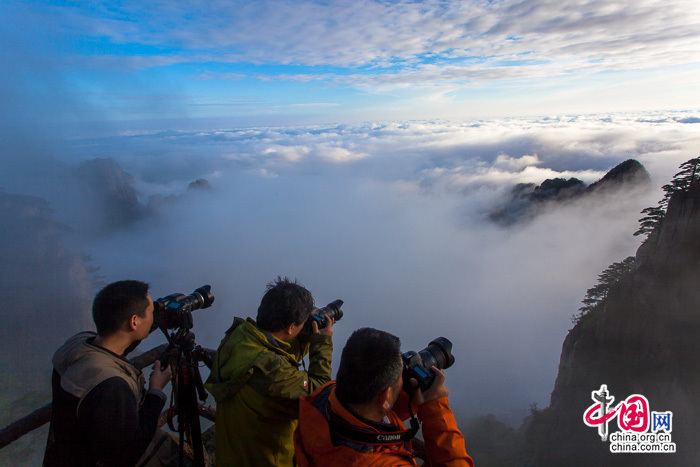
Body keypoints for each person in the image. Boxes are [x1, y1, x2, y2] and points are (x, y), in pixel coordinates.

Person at [294, 327, 474, 467]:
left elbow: (370, 411)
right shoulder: (379, 462)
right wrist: (435, 409)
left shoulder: (321, 399)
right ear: (385, 395)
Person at [43, 280, 176, 466]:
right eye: (151, 312)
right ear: (134, 321)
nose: (154, 313)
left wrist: (148, 323)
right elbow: (128, 454)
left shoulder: (78, 345)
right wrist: (156, 391)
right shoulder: (112, 386)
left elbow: (115, 346)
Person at [205, 276, 334, 467]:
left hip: (232, 457)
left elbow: (274, 355)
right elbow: (318, 393)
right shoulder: (272, 373)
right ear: (291, 327)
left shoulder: (240, 337)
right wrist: (322, 344)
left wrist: (304, 337)